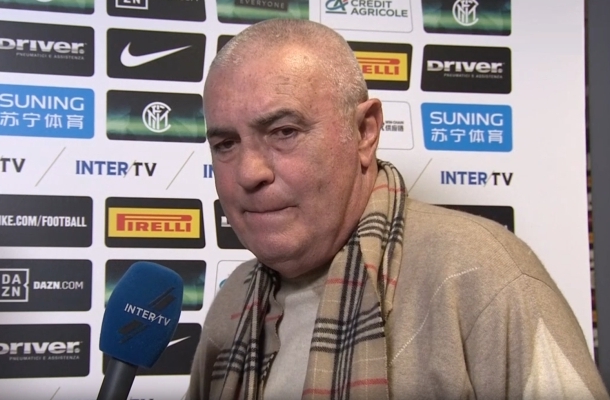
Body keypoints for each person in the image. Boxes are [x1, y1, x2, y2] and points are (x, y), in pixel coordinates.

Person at [187, 18, 609, 399]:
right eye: (226, 143)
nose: (249, 172)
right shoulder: (234, 300)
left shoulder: (479, 274)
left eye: (284, 132)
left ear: (364, 132)